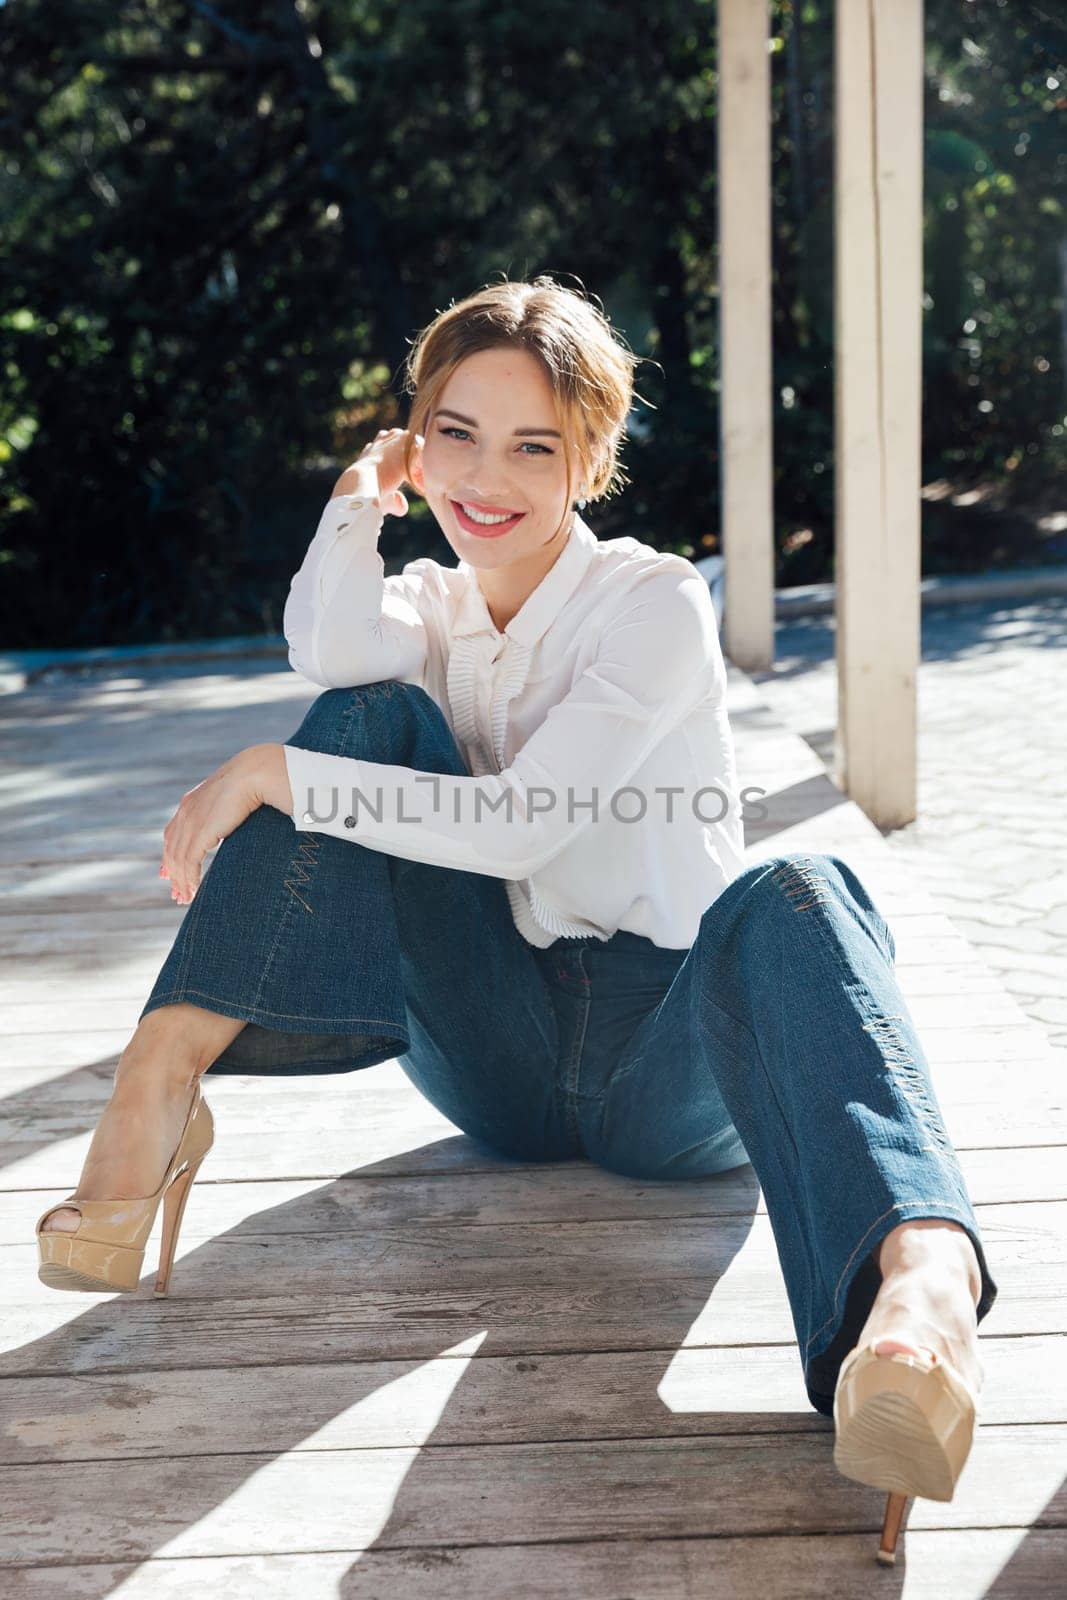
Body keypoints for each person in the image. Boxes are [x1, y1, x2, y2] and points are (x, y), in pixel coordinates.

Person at [36, 276, 998, 1564]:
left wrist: (270, 771)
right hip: (494, 1053)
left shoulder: (653, 604)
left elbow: (526, 825)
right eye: (454, 434)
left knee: (806, 890)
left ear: (589, 459)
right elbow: (325, 652)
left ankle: (919, 1293)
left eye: (532, 445)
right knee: (360, 724)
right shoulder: (431, 604)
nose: (484, 478)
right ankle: (163, 1073)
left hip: (672, 1058)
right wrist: (357, 502)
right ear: (415, 437)